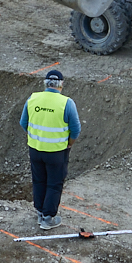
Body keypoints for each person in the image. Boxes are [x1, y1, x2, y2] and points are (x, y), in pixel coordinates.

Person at [19, 69, 80, 229]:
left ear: (45, 83)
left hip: (35, 149)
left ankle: (40, 212)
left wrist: (36, 136)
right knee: (54, 184)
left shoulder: (33, 98)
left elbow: (23, 123)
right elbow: (76, 129)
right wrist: (69, 143)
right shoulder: (66, 103)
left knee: (39, 181)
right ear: (61, 85)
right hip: (57, 152)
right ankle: (47, 219)